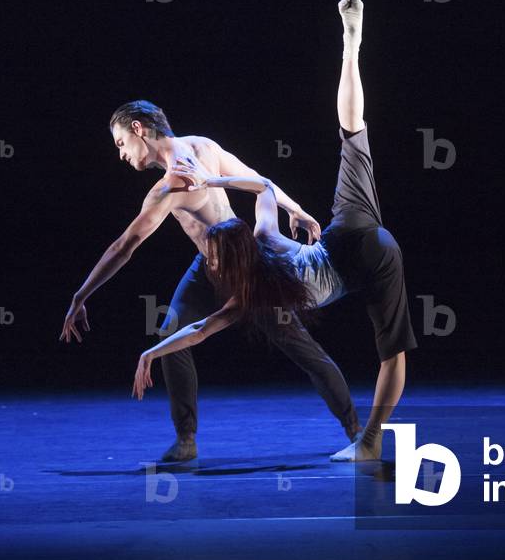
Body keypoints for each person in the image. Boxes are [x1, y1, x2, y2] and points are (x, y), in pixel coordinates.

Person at [133, 0, 417, 462]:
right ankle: (352, 48)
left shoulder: (249, 297)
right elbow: (264, 186)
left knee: (390, 353)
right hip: (353, 232)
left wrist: (152, 352)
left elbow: (200, 330)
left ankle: (367, 442)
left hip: (365, 261)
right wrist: (219, 181)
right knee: (351, 133)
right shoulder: (263, 236)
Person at [60, 101, 362, 462]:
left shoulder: (169, 186)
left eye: (121, 143)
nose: (121, 154)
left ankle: (358, 432)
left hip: (247, 271)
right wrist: (293, 208)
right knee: (171, 334)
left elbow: (124, 247)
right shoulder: (202, 146)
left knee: (303, 349)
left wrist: (80, 297)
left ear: (139, 129)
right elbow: (256, 181)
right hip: (207, 267)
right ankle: (186, 439)